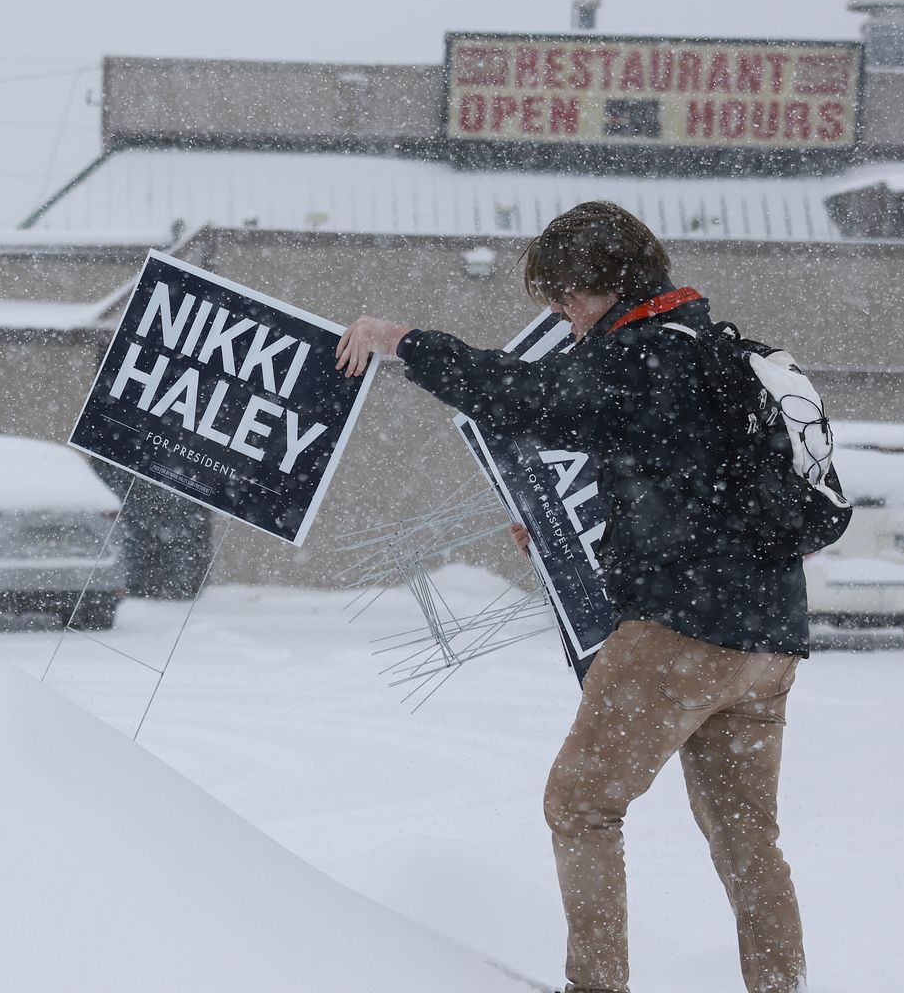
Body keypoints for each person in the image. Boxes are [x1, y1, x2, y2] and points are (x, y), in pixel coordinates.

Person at [334, 200, 810, 993]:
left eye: (567, 303)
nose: (565, 321)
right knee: (747, 837)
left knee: (580, 805)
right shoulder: (713, 346)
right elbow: (680, 483)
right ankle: (782, 985)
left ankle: (595, 987)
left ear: (609, 286)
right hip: (767, 642)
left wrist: (404, 342)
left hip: (681, 634)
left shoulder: (640, 351)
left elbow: (522, 396)